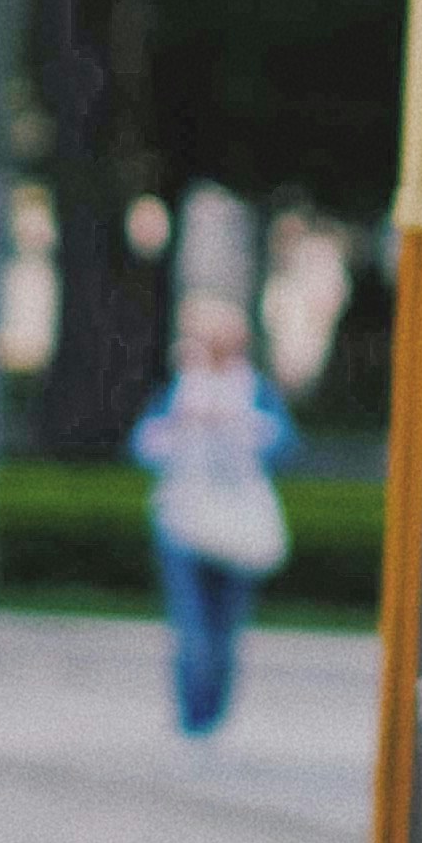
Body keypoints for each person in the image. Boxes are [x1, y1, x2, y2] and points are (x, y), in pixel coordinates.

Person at [131, 297, 298, 738]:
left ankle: (212, 714)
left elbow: (285, 446)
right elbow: (144, 445)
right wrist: (185, 424)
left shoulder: (256, 392)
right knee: (191, 629)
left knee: (225, 630)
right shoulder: (182, 389)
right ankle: (193, 716)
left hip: (238, 523)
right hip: (183, 522)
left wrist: (242, 424)